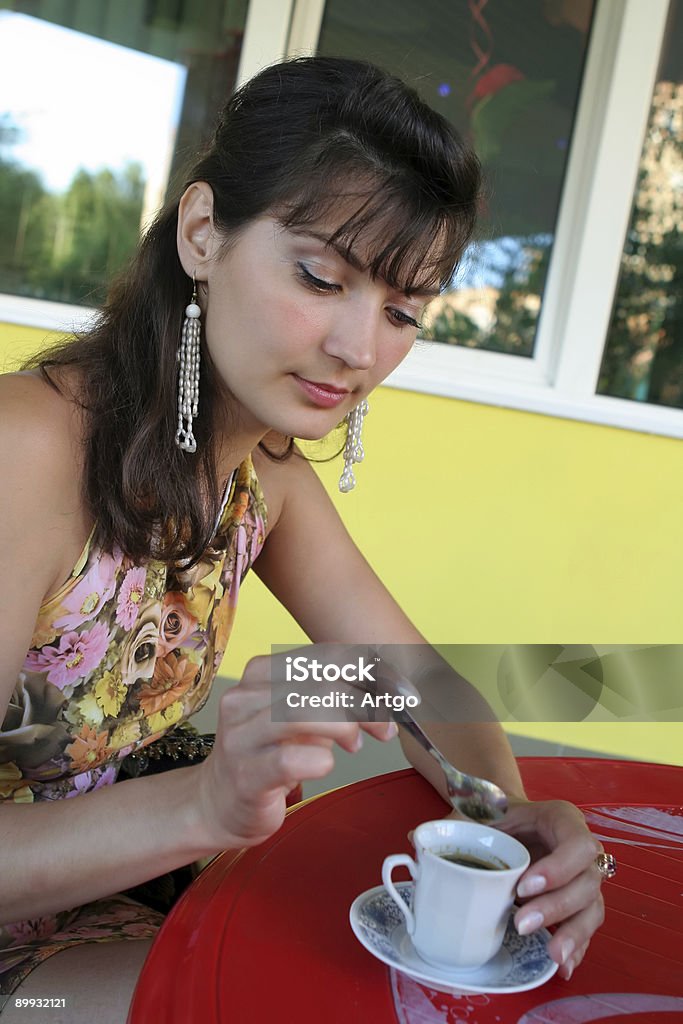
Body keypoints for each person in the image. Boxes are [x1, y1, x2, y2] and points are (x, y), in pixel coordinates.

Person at [0, 56, 607, 1023]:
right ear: (203, 233)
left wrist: (502, 816)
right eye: (322, 277)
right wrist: (204, 803)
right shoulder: (27, 449)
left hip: (116, 882)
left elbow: (418, 685)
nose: (360, 350)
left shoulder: (262, 483)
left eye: (403, 310)